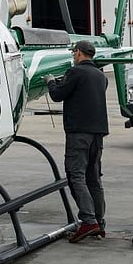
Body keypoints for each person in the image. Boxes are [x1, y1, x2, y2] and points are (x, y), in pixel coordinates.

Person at [43, 39, 109, 243]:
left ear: (79, 53)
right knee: (93, 178)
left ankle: (88, 221)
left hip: (79, 132)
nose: (73, 56)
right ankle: (99, 221)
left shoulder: (76, 73)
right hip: (98, 133)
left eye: (74, 53)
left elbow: (57, 95)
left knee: (76, 175)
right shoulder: (101, 76)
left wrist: (51, 81)